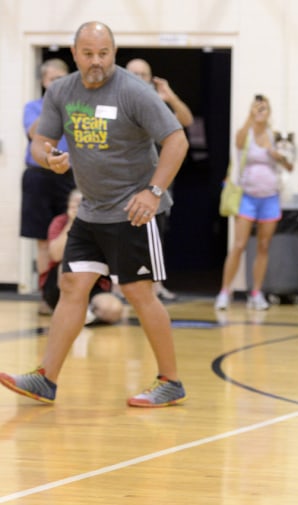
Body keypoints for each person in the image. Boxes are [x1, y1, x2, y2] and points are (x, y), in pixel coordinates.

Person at [0, 21, 190, 407]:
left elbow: (176, 139)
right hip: (91, 210)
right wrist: (48, 158)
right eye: (88, 54)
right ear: (75, 54)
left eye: (104, 54)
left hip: (135, 211)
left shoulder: (133, 92)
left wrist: (153, 192)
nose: (96, 61)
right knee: (72, 286)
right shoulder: (61, 91)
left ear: (113, 54)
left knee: (139, 293)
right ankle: (45, 379)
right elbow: (40, 140)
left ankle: (170, 380)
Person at [214, 94, 293, 311]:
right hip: (247, 197)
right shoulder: (246, 132)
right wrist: (249, 118)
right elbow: (238, 143)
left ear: (269, 113)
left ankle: (256, 293)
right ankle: (225, 292)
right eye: (257, 108)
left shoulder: (274, 136)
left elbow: (289, 165)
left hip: (270, 198)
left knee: (264, 245)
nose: (260, 112)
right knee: (239, 245)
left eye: (264, 109)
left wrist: (273, 152)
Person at [126, 57, 194, 302]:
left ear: (150, 79)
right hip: (125, 185)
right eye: (133, 73)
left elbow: (186, 120)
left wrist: (169, 96)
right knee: (120, 236)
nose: (137, 78)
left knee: (156, 236)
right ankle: (116, 287)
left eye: (143, 74)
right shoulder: (118, 99)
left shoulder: (157, 104)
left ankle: (156, 286)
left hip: (156, 185)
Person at [22, 58, 76, 314]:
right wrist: (53, 103)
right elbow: (35, 133)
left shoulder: (77, 108)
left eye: (60, 79)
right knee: (43, 239)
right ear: (44, 81)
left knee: (71, 233)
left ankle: (69, 292)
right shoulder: (33, 107)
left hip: (69, 175)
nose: (56, 83)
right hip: (39, 176)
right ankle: (46, 294)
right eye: (52, 80)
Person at [42, 189, 124, 326]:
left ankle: (87, 313)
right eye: (74, 203)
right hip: (60, 284)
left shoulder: (103, 224)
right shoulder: (60, 221)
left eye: (81, 203)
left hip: (94, 282)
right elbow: (56, 255)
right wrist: (72, 223)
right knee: (68, 266)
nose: (77, 207)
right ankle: (72, 310)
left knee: (113, 310)